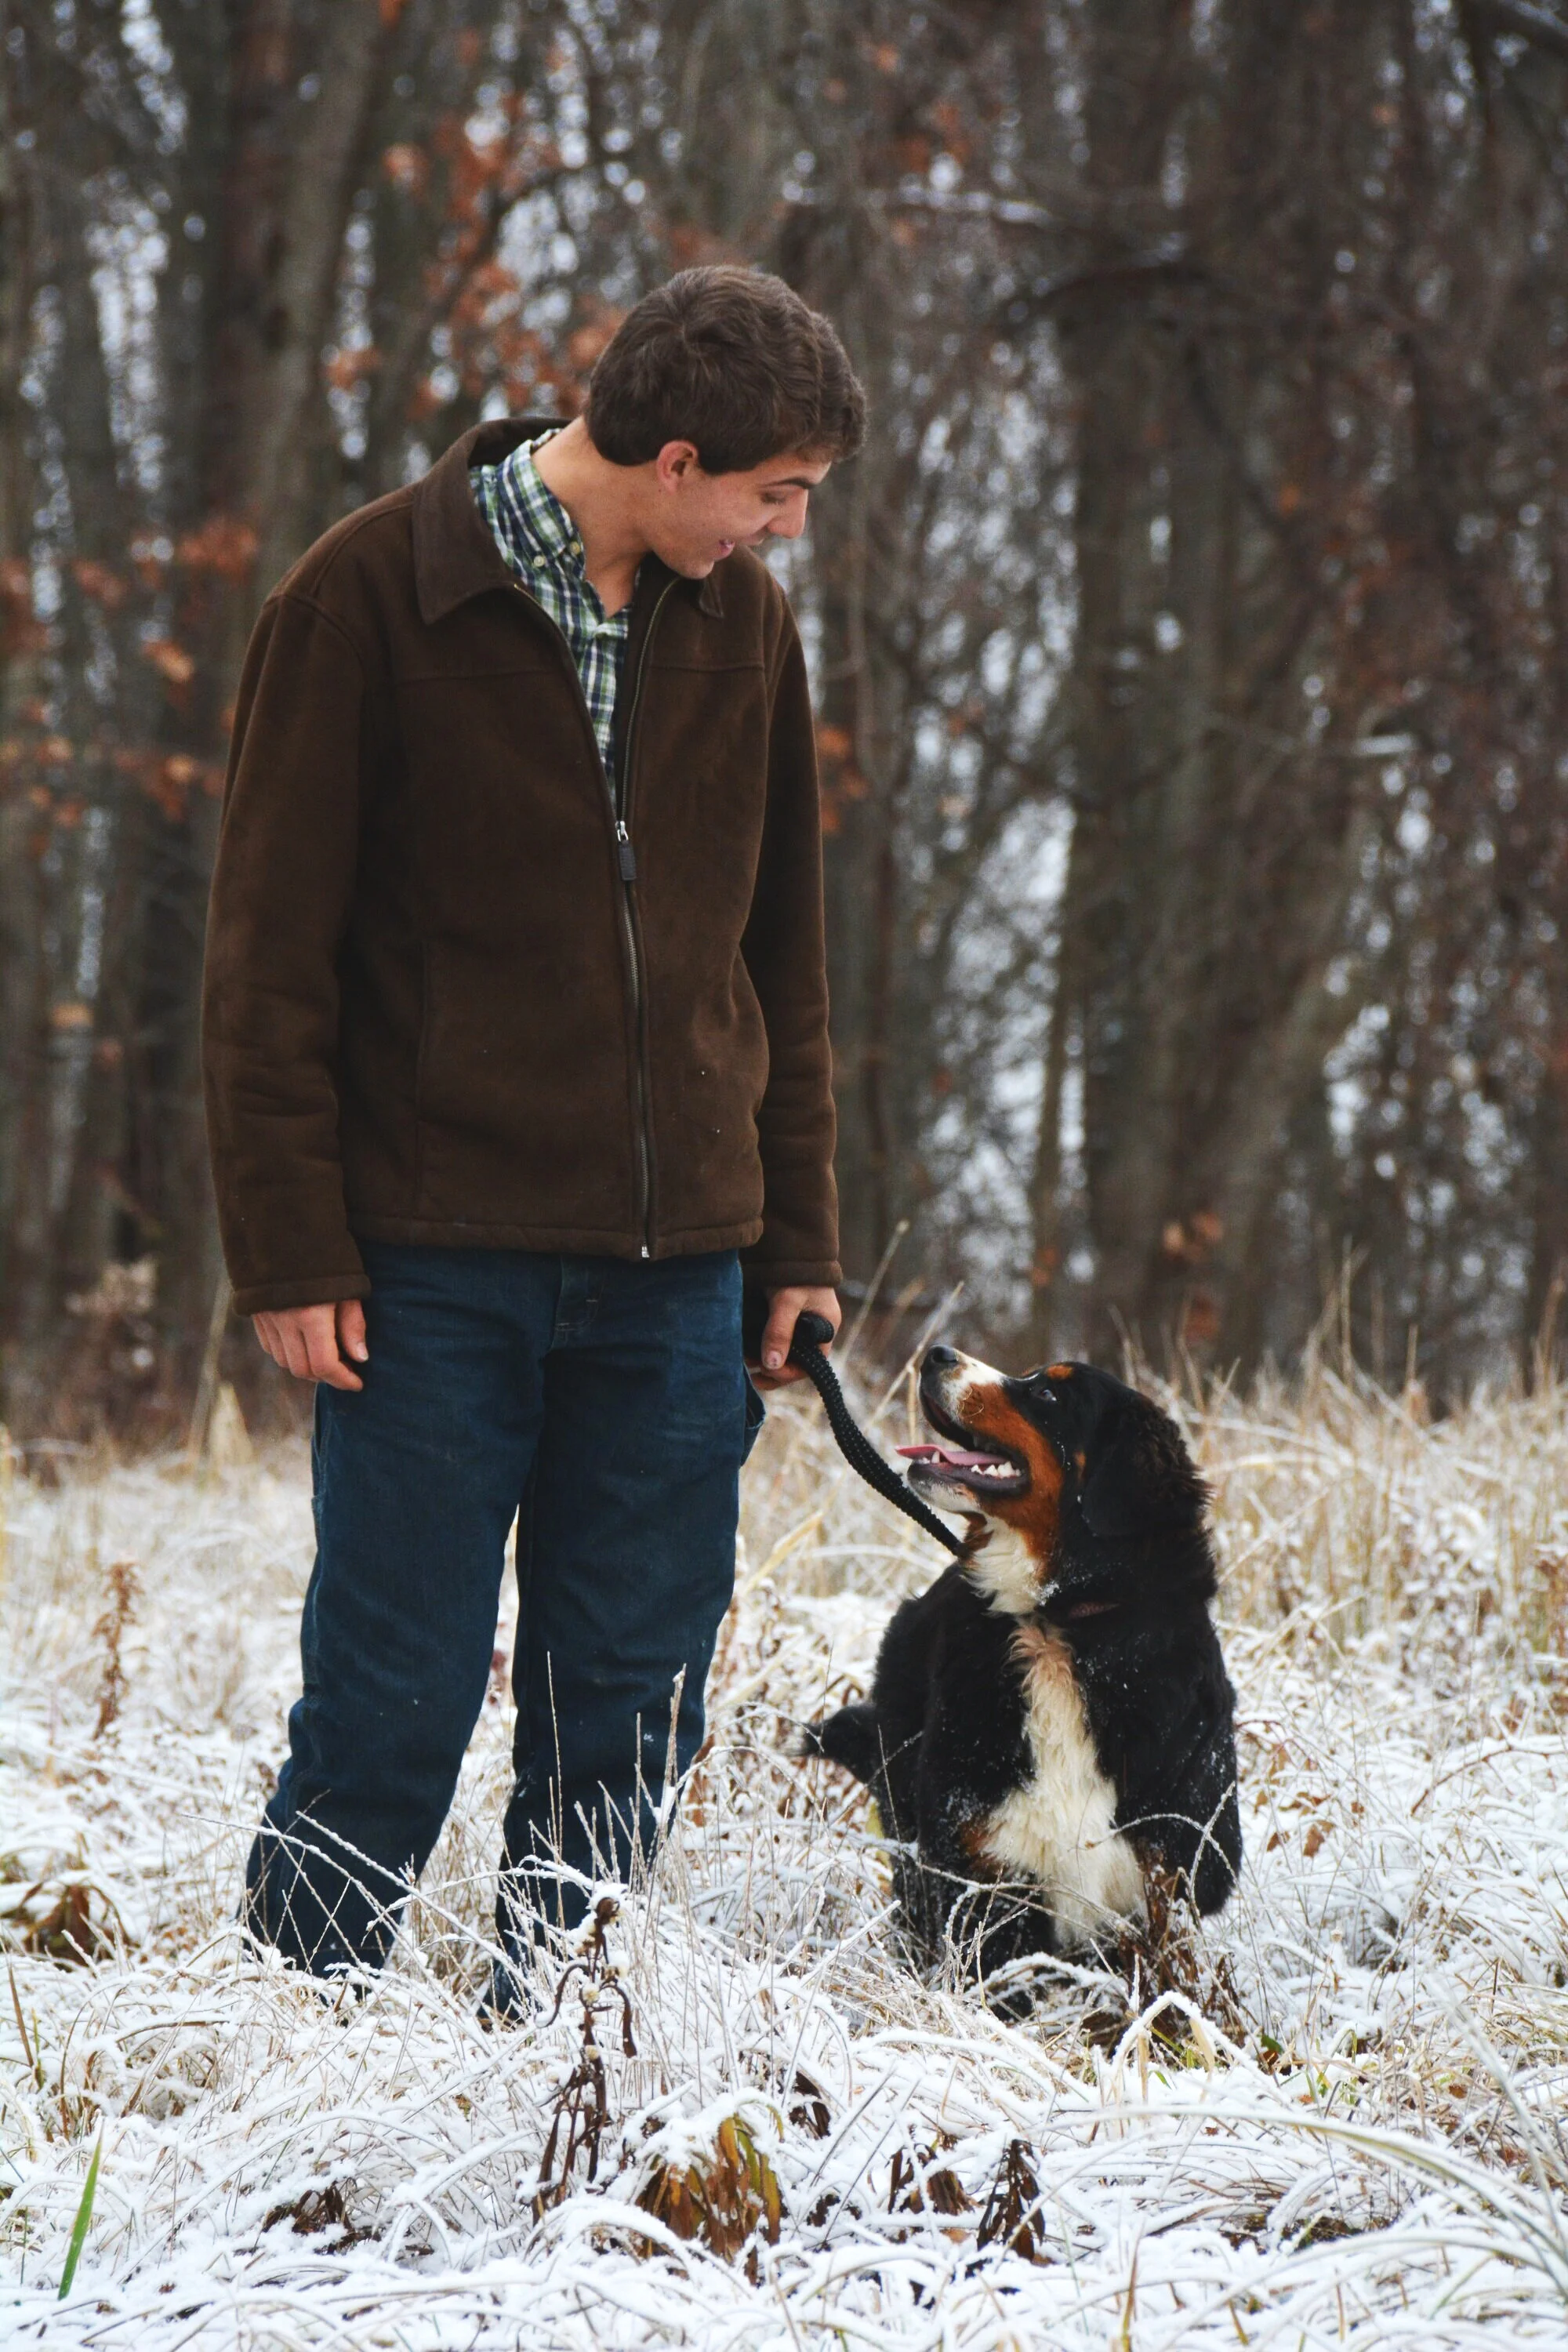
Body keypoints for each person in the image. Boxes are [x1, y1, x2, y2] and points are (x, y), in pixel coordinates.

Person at [201, 266, 862, 2005]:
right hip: (427, 1266)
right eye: (773, 494)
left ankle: (564, 2046)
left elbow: (778, 963)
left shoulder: (747, 630)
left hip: (678, 1282)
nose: (780, 530)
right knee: (392, 1680)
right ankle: (295, 2033)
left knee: (636, 1684)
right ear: (672, 455)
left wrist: (795, 1242)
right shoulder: (363, 601)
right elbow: (265, 961)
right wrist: (287, 1245)